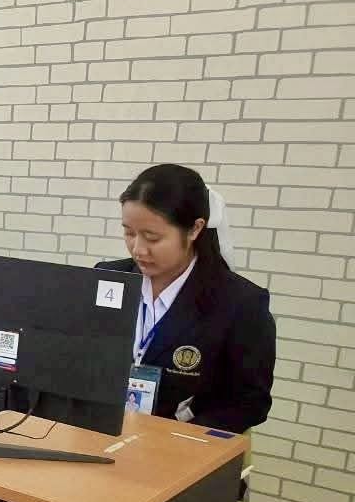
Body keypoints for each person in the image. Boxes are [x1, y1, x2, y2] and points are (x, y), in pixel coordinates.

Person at [97, 163, 275, 433]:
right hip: (104, 432)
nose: (138, 249)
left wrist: (175, 434)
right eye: (129, 233)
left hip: (178, 444)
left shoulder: (240, 303)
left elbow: (250, 402)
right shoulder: (109, 277)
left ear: (194, 229)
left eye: (152, 237)